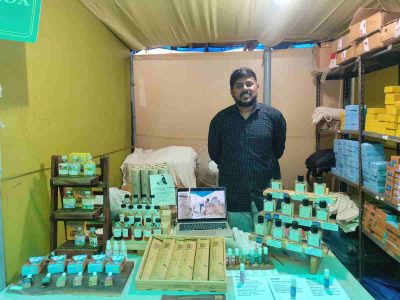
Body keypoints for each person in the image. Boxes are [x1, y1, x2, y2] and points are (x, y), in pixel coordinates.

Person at [208, 67, 286, 232]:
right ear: (232, 91)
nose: (245, 88)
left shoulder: (274, 117)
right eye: (239, 85)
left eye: (249, 84)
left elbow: (278, 151)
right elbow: (214, 153)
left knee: (268, 244)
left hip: (267, 194)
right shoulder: (220, 120)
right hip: (235, 195)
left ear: (257, 86)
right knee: (241, 246)